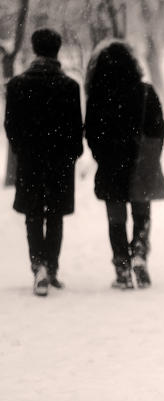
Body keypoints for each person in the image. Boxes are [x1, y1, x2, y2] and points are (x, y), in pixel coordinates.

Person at [4, 28, 84, 296]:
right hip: (60, 161)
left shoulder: (17, 86)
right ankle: (51, 267)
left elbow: (10, 125)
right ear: (57, 50)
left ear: (35, 49)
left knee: (33, 215)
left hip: (30, 160)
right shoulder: (69, 86)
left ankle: (37, 264)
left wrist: (21, 149)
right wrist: (72, 153)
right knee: (56, 215)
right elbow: (76, 127)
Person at [84, 40, 164, 290]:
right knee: (142, 213)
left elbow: (91, 133)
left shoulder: (98, 96)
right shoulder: (145, 92)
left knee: (116, 219)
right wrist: (151, 156)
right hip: (140, 162)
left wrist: (102, 156)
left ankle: (122, 267)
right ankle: (140, 253)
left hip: (111, 164)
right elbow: (158, 129)